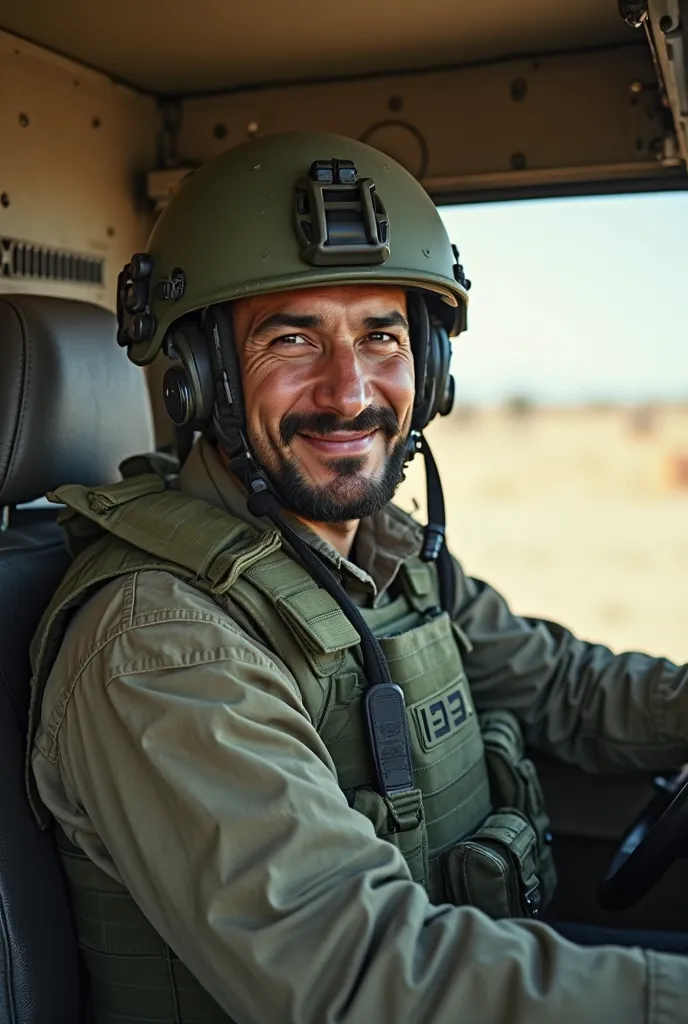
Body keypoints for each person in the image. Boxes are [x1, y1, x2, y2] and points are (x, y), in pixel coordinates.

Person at [28, 132, 688, 1024]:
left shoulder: (382, 552)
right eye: (292, 339)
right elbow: (361, 972)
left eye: (381, 335)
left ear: (433, 367)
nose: (350, 393)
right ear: (196, 377)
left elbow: (569, 690)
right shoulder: (159, 643)